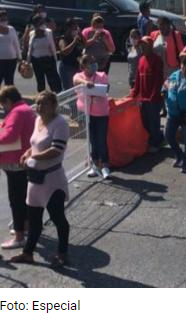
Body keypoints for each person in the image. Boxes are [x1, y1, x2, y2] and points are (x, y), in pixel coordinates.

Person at [10, 91, 70, 268]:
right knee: (34, 218)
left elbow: (56, 150)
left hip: (52, 180)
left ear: (53, 105)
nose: (39, 107)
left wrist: (32, 159)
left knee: (58, 217)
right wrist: (27, 153)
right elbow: (35, 144)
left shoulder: (60, 123)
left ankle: (62, 252)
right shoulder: (38, 120)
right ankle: (28, 253)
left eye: (43, 103)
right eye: (37, 103)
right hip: (35, 180)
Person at [0, 86, 36, 250]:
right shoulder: (26, 109)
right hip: (24, 159)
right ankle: (26, 226)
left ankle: (19, 235)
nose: (3, 108)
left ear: (8, 101)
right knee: (23, 197)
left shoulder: (16, 112)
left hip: (15, 161)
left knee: (16, 200)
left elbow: (9, 136)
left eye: (3, 105)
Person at [74, 54, 110, 179]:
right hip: (87, 114)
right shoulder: (78, 76)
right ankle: (94, 166)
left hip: (101, 113)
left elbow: (105, 89)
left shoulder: (102, 75)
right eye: (90, 62)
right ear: (83, 66)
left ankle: (105, 166)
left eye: (94, 61)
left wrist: (96, 90)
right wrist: (86, 82)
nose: (94, 64)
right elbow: (76, 81)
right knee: (92, 141)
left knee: (101, 141)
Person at [130, 36, 165, 152]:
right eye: (141, 45)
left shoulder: (157, 60)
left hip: (153, 99)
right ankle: (150, 141)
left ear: (150, 46)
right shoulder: (141, 60)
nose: (142, 47)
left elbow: (158, 80)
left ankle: (156, 142)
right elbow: (138, 79)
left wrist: (154, 95)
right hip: (143, 98)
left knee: (154, 121)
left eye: (144, 45)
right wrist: (134, 92)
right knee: (145, 121)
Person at [26, 15, 62, 93]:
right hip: (37, 61)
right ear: (35, 25)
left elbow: (53, 46)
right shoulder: (32, 33)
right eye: (40, 23)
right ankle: (42, 99)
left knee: (53, 81)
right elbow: (30, 49)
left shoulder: (48, 32)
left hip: (48, 60)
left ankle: (57, 97)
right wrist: (27, 62)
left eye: (43, 22)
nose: (43, 24)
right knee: (40, 82)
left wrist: (55, 59)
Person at [57, 18, 85, 91]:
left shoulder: (77, 38)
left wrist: (80, 34)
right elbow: (64, 51)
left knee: (78, 89)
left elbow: (85, 45)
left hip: (77, 66)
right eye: (74, 28)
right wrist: (74, 42)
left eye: (76, 28)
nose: (75, 30)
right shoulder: (63, 39)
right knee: (69, 90)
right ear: (68, 28)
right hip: (67, 67)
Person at [0, 9, 22, 86]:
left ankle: (9, 97)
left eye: (5, 19)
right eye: (2, 19)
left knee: (9, 80)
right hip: (0, 60)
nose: (4, 21)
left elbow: (16, 43)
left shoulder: (11, 29)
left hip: (11, 59)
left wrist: (19, 57)